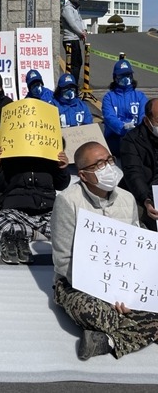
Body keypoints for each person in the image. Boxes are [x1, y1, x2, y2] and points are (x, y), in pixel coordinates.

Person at [50, 141, 158, 360]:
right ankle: (147, 326)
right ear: (83, 175)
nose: (108, 167)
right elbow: (64, 260)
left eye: (109, 160)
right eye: (99, 165)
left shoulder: (127, 199)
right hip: (79, 284)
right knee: (91, 311)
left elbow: (137, 252)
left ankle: (107, 341)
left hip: (125, 282)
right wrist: (105, 294)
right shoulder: (67, 202)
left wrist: (130, 295)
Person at [0, 146, 70, 265]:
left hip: (46, 211)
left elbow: (61, 185)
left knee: (66, 225)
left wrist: (62, 168)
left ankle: (22, 234)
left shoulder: (51, 156)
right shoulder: (10, 154)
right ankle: (23, 236)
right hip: (16, 211)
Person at [120, 98, 158, 231]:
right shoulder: (131, 140)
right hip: (144, 193)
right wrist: (146, 200)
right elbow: (133, 174)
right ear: (147, 121)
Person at [102, 59, 148, 157]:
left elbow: (143, 115)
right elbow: (109, 117)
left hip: (137, 136)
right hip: (115, 136)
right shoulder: (109, 97)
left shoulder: (140, 96)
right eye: (121, 76)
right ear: (115, 78)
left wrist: (137, 130)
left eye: (128, 75)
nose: (125, 78)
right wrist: (123, 127)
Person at [61, 0, 87, 85]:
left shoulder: (75, 8)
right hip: (70, 40)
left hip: (75, 39)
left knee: (78, 63)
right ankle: (72, 85)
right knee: (74, 64)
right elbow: (72, 24)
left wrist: (84, 30)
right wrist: (81, 33)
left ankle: (74, 84)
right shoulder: (67, 9)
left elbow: (80, 21)